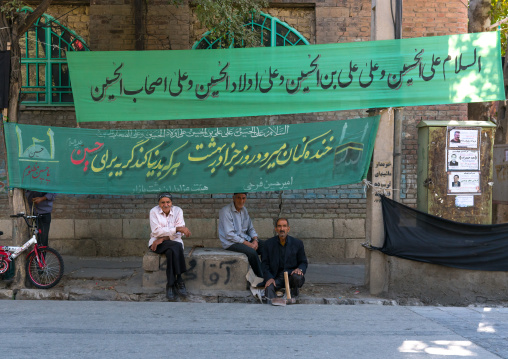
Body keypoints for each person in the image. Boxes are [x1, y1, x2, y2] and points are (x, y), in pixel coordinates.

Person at [149, 192, 191, 301]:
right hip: (156, 244)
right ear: (159, 203)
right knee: (175, 246)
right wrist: (176, 229)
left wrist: (162, 239)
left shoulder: (178, 211)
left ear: (171, 203)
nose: (165, 205)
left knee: (171, 252)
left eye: (168, 202)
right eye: (162, 202)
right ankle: (180, 281)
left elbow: (180, 234)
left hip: (165, 242)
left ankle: (170, 285)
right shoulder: (154, 212)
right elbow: (156, 231)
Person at [218, 193, 264, 278]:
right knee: (252, 253)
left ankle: (267, 272)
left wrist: (255, 240)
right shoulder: (225, 211)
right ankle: (261, 278)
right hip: (231, 243)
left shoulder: (244, 210)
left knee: (266, 247)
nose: (241, 201)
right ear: (233, 198)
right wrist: (248, 244)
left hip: (244, 238)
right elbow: (229, 235)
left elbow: (250, 228)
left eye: (243, 198)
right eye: (238, 198)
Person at [262, 218, 308, 304]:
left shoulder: (297, 243)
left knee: (297, 277)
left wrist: (299, 269)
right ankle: (275, 302)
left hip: (291, 276)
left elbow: (303, 262)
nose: (282, 229)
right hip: (276, 278)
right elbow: (264, 264)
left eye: (284, 226)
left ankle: (293, 295)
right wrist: (269, 278)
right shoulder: (268, 244)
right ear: (276, 229)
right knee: (268, 287)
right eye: (279, 226)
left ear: (288, 229)